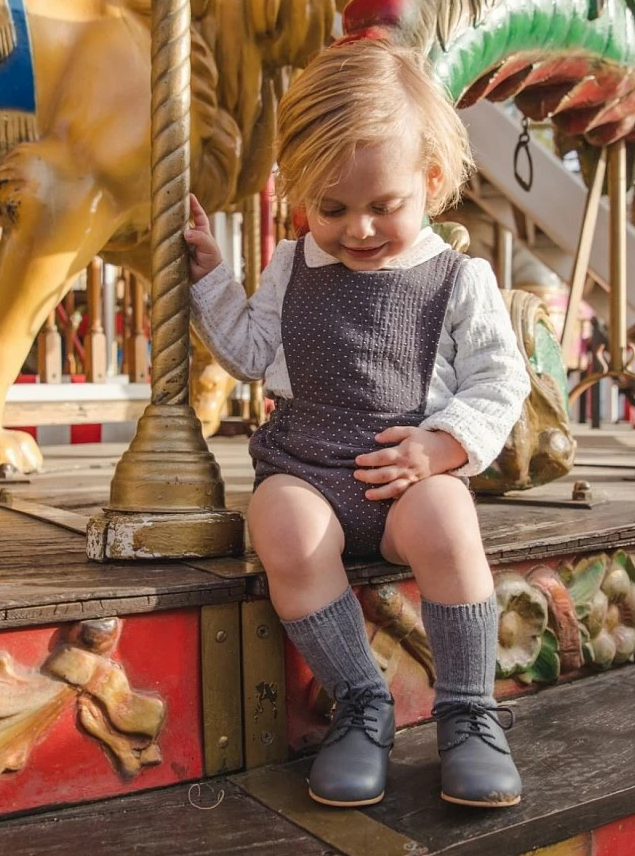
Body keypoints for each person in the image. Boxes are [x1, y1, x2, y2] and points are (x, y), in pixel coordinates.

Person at [186, 39, 531, 810]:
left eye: (385, 205)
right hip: (307, 469)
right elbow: (248, 350)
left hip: (405, 475)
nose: (360, 229)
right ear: (302, 194)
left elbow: (499, 378)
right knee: (281, 526)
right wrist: (212, 276)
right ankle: (361, 702)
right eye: (332, 208)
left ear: (432, 182)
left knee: (449, 519)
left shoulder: (457, 278)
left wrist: (443, 446)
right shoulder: (293, 265)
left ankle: (469, 711)